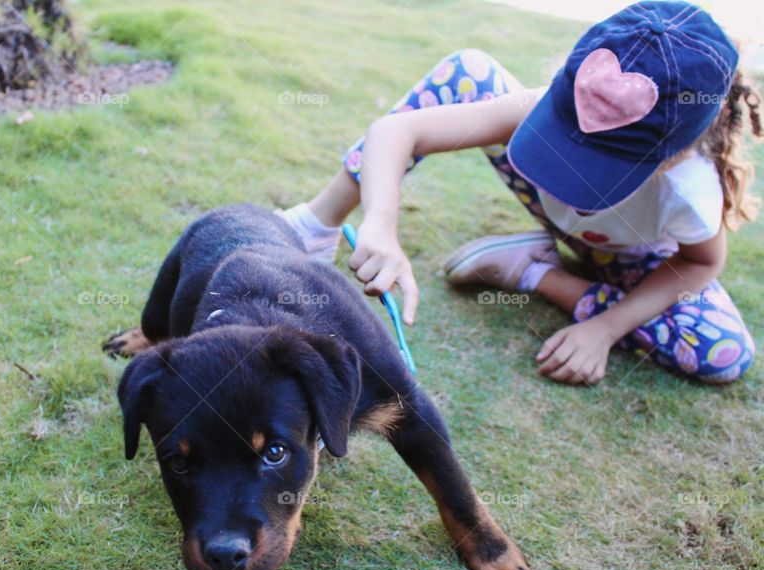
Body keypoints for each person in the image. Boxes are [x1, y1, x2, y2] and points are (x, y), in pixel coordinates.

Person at [279, 0, 761, 385]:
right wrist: (380, 222)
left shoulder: (690, 188)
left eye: (600, 165)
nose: (574, 174)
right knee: (467, 70)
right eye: (564, 137)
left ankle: (530, 270)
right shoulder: (540, 103)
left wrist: (603, 328)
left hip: (627, 256)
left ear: (673, 155)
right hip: (546, 207)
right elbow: (395, 132)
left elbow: (700, 262)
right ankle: (313, 226)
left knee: (725, 352)